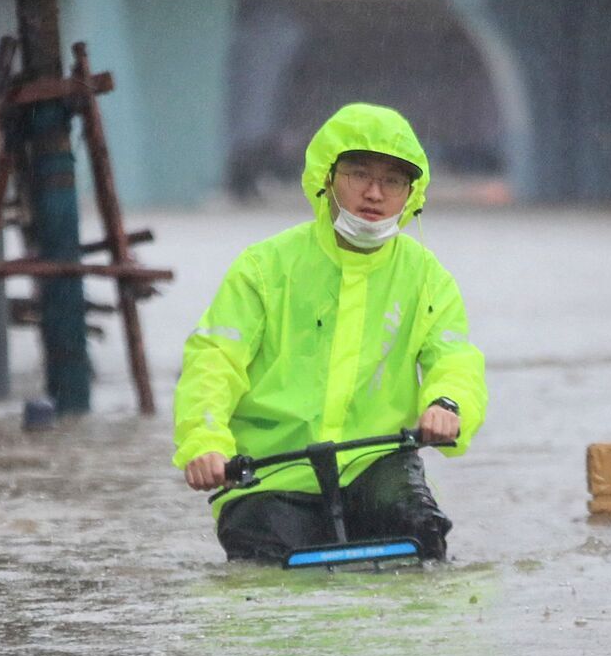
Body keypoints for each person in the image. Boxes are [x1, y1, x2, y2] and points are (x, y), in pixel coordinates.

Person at [173, 103, 487, 563]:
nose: (374, 193)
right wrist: (205, 443)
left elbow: (454, 358)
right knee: (265, 565)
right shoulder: (264, 267)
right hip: (269, 474)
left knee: (422, 537)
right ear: (327, 177)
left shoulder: (427, 278)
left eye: (393, 181)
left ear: (411, 194)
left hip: (376, 465)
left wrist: (447, 404)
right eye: (359, 174)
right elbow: (214, 360)